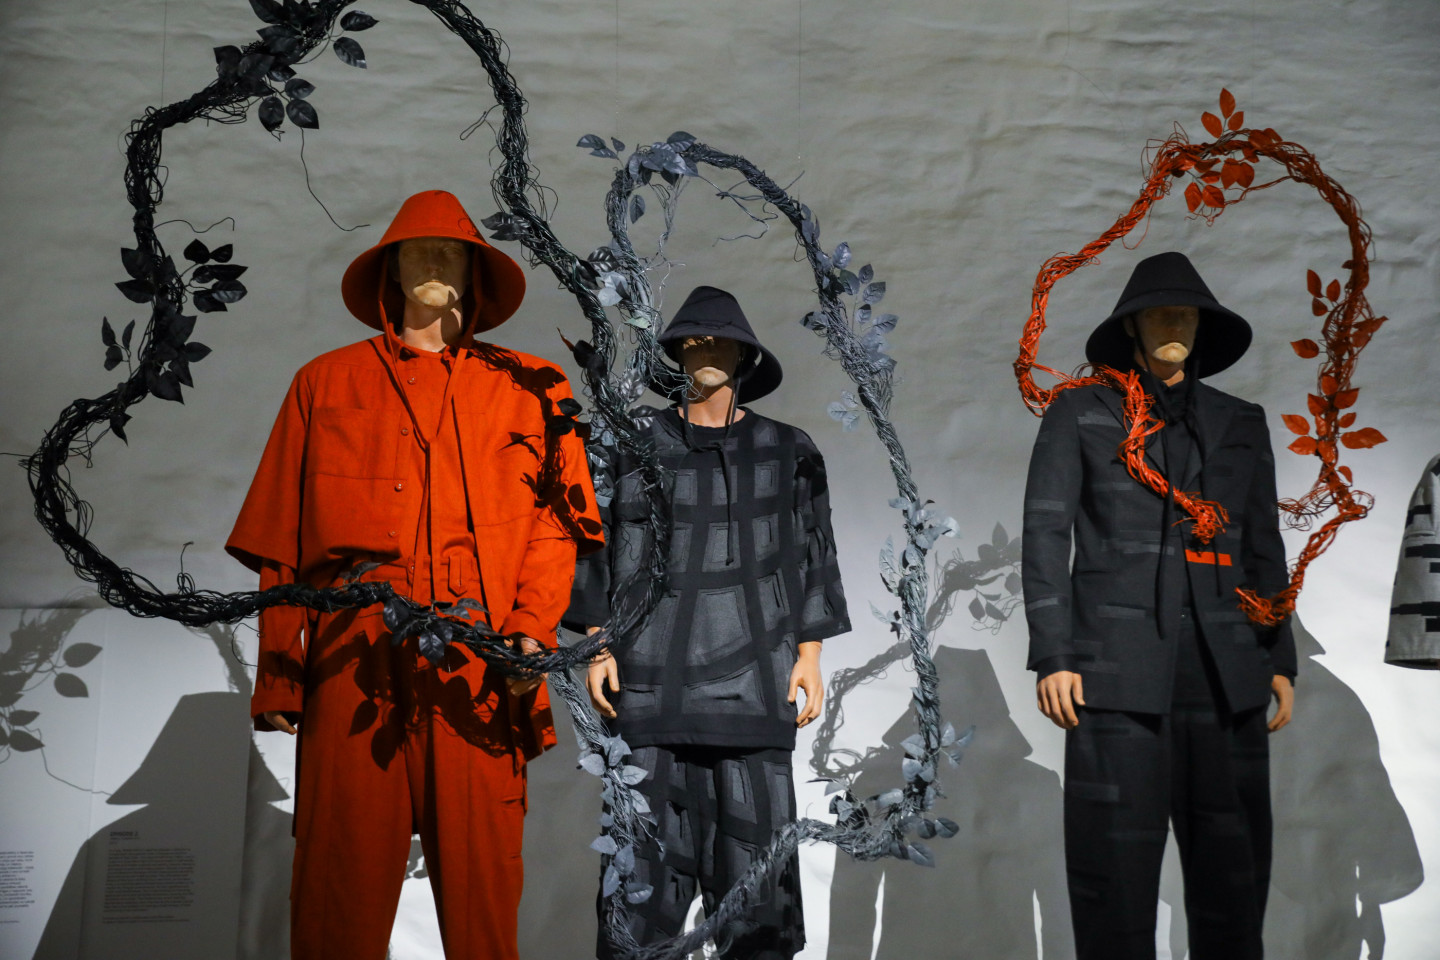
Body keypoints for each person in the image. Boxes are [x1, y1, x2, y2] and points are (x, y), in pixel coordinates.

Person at [226, 189, 603, 960]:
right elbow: (280, 544)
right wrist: (282, 672)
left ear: (476, 273)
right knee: (336, 886)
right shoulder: (323, 383)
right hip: (350, 658)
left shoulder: (535, 386)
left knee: (482, 892)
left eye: (450, 250)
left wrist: (530, 632)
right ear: (388, 272)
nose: (432, 261)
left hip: (481, 662)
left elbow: (556, 525)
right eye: (414, 250)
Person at [1021, 251, 1296, 960]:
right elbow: (1046, 532)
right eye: (1159, 314)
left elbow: (1263, 543)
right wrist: (1054, 653)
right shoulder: (1081, 413)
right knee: (1112, 879)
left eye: (1185, 315)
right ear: (1131, 327)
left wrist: (1277, 656)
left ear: (1202, 327)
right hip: (1114, 676)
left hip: (1227, 673)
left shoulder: (1242, 421)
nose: (1173, 326)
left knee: (1234, 880)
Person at [564, 285, 850, 959]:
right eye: (692, 340)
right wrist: (596, 642)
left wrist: (810, 655)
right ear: (674, 353)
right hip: (647, 699)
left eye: (721, 339)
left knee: (757, 913)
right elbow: (593, 541)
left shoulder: (788, 450)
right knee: (638, 908)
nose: (706, 349)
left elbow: (814, 553)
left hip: (756, 697)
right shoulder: (630, 443)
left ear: (746, 354)